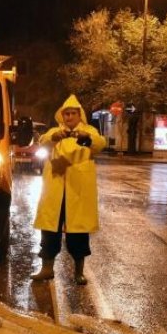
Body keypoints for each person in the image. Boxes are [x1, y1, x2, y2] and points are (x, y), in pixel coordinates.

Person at [31, 94, 106, 285]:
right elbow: (43, 141)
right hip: (55, 190)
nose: (69, 117)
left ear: (79, 115)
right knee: (49, 231)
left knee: (78, 233)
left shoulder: (89, 131)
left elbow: (100, 143)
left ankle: (79, 272)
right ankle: (47, 269)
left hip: (77, 191)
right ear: (62, 116)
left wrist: (86, 139)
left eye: (73, 113)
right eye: (67, 114)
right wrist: (54, 137)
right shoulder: (55, 132)